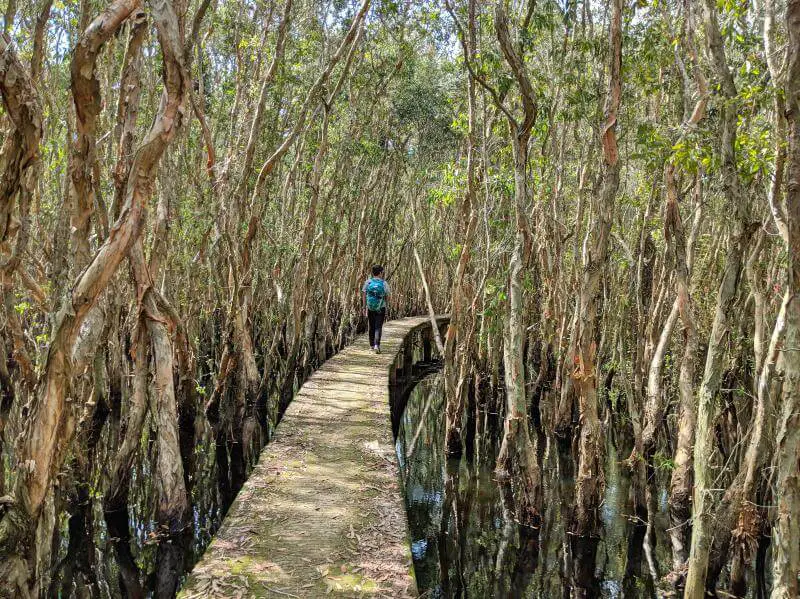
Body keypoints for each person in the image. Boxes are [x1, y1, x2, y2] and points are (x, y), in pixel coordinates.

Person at [362, 265, 389, 354]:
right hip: (381, 308)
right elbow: (387, 296)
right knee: (378, 327)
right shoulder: (384, 283)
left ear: (372, 273)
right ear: (380, 273)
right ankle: (377, 345)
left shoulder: (368, 282)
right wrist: (387, 306)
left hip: (370, 307)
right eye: (382, 272)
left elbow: (364, 295)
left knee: (372, 326)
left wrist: (364, 306)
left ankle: (371, 346)